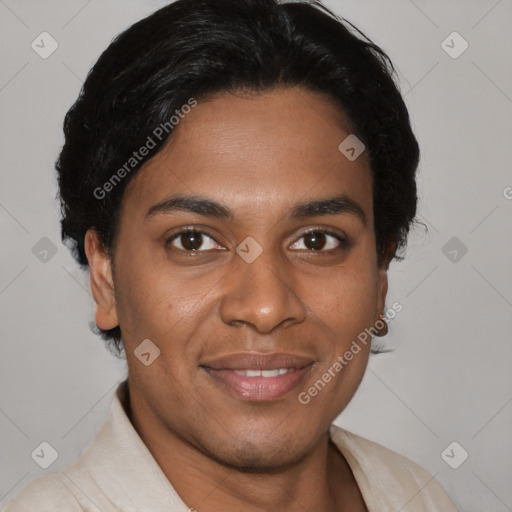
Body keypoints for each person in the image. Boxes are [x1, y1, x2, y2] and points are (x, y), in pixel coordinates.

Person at [2, 0, 459, 510]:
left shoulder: (416, 495)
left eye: (317, 240)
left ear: (379, 279)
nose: (265, 307)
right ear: (106, 276)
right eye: (193, 240)